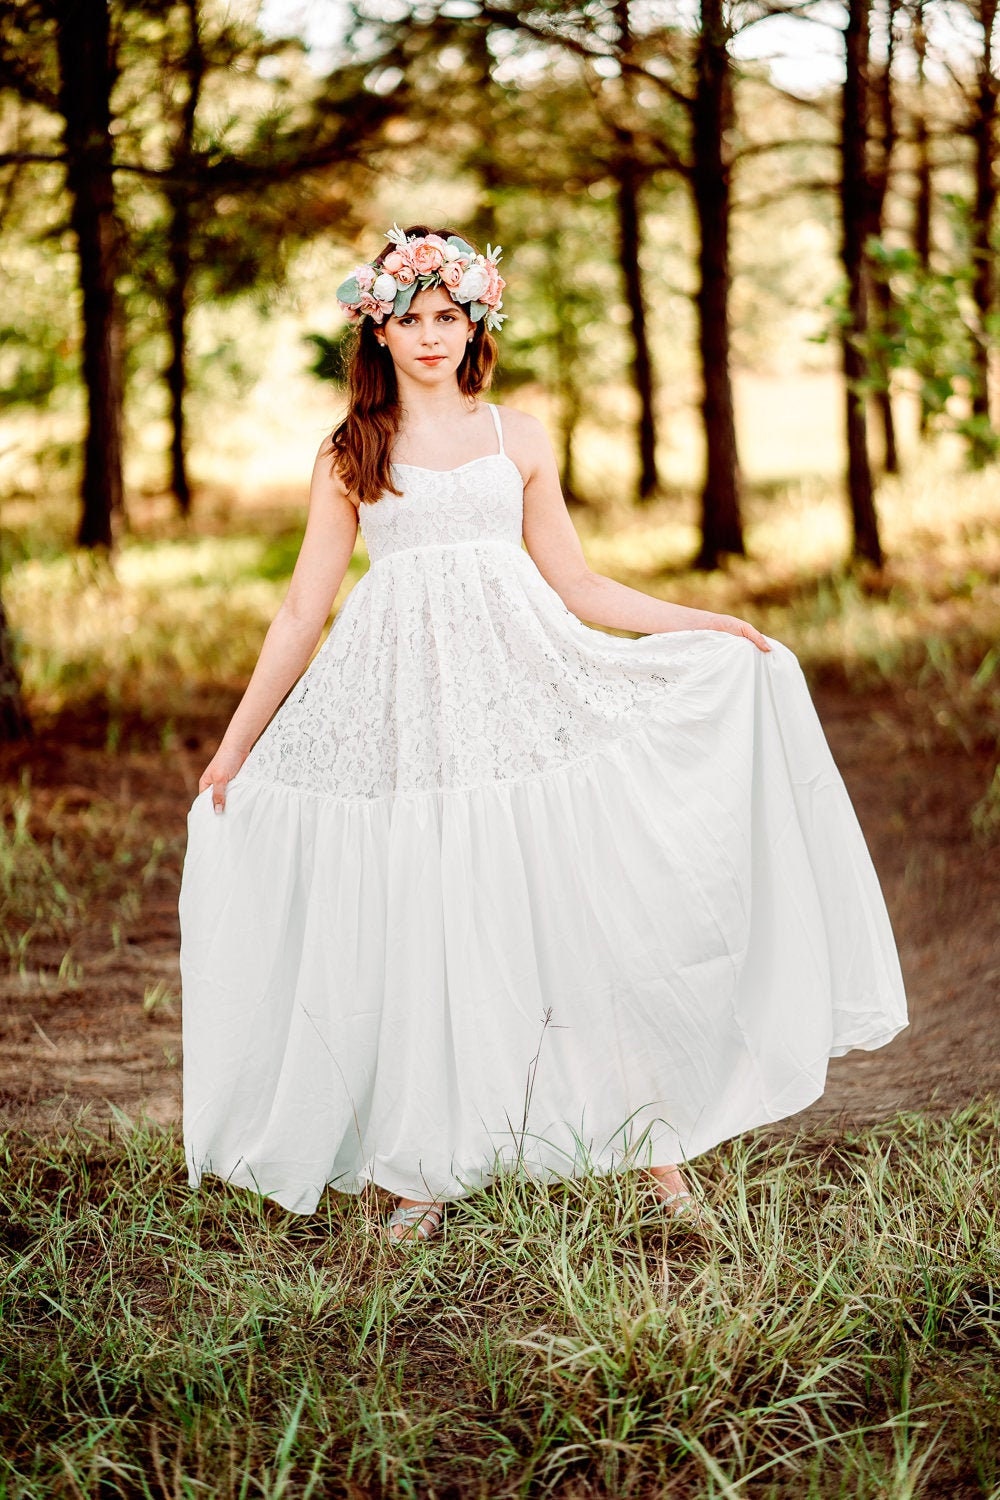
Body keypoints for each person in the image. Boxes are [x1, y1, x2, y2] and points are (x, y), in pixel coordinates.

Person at [180, 224, 907, 1245]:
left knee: (578, 900)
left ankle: (656, 1151)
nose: (430, 335)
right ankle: (426, 1166)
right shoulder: (352, 451)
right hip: (405, 710)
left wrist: (710, 623)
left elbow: (575, 581)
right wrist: (235, 746)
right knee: (427, 915)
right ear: (375, 329)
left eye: (448, 315)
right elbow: (303, 610)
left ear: (473, 322)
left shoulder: (515, 437)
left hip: (524, 689)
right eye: (408, 317)